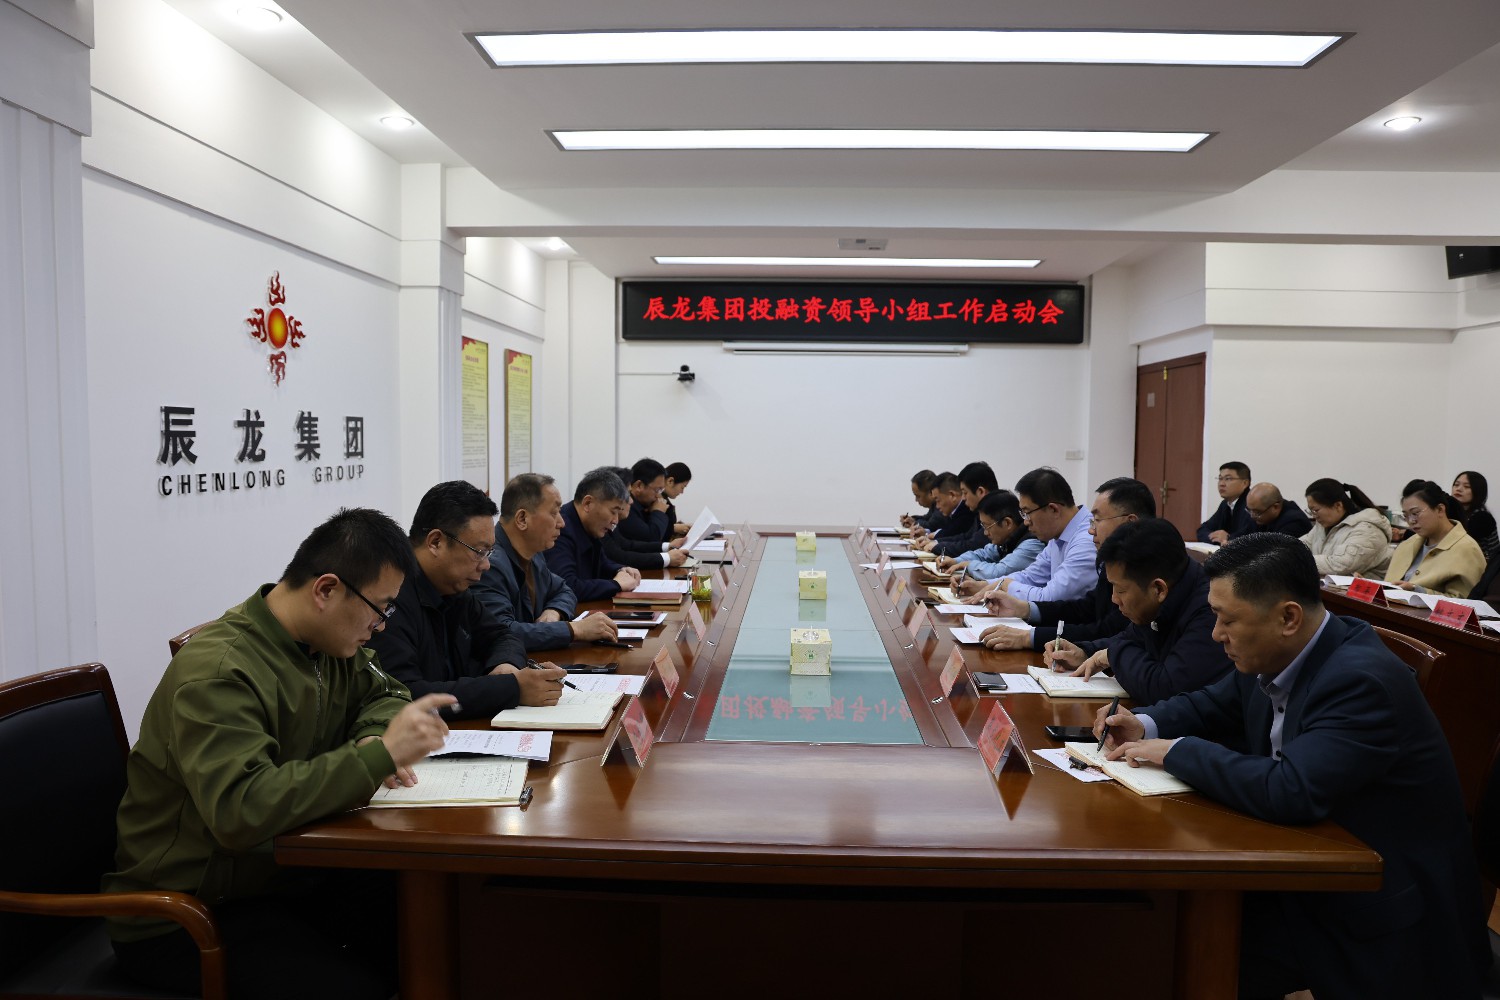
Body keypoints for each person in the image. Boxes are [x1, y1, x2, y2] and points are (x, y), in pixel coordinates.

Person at [1098, 533, 1489, 1000]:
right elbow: (1213, 703)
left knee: (1179, 946)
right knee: (1163, 927)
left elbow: (1291, 789)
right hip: (1310, 860)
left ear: (1288, 617)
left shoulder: (1359, 680)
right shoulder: (1281, 651)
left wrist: (1175, 750)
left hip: (1377, 910)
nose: (1216, 634)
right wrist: (1143, 722)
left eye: (1227, 619)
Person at [105, 508, 456, 1000]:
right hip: (187, 913)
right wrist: (377, 758)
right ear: (326, 590)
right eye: (379, 609)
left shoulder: (324, 644)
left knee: (440, 926)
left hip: (277, 876)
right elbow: (241, 809)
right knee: (364, 982)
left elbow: (388, 693)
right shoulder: (220, 671)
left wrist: (371, 738)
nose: (381, 627)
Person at [367, 480, 565, 721]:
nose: (486, 564)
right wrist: (509, 688)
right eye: (479, 551)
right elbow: (404, 694)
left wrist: (506, 666)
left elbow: (502, 635)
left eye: (489, 552)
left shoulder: (454, 588)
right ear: (436, 542)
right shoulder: (389, 597)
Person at [1039, 518, 1231, 703]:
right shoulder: (1168, 592)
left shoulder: (1211, 610)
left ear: (1158, 589)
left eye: (1121, 590)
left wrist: (1113, 655)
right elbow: (1131, 638)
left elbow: (1167, 688)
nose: (1114, 599)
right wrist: (1085, 652)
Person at [982, 477, 1155, 651]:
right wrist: (1024, 609)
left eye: (1097, 520)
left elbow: (1108, 631)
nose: (1091, 530)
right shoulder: (1114, 560)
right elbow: (1086, 608)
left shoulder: (1148, 570)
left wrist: (1029, 637)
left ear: (1130, 522)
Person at [471, 472, 618, 651]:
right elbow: (502, 633)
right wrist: (574, 630)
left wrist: (554, 611)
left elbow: (564, 589)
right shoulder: (489, 564)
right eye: (554, 513)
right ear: (522, 519)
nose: (561, 523)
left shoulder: (534, 554)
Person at [982, 468, 1094, 603]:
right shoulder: (1058, 534)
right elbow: (1031, 577)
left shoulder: (1087, 540)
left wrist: (1006, 585)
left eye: (1027, 513)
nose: (1026, 522)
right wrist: (984, 585)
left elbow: (1050, 598)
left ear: (1053, 509)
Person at [544, 466, 642, 601]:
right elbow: (567, 586)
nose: (615, 520)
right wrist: (616, 585)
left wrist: (620, 570)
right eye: (613, 512)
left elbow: (601, 563)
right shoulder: (561, 530)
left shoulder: (589, 525)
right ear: (588, 503)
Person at [1384, 479, 1487, 597]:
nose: (1411, 521)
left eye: (1415, 513)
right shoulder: (1408, 544)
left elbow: (1464, 602)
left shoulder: (1467, 549)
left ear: (1440, 509)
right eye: (1406, 515)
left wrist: (1416, 591)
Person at [937, 490, 1041, 590]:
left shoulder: (1032, 544)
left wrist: (968, 565)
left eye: (987, 526)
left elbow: (999, 572)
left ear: (1007, 523)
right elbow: (984, 553)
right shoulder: (1007, 539)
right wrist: (956, 561)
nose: (985, 533)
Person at [1300, 479, 1392, 577]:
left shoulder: (1368, 530)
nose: (1314, 516)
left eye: (1316, 510)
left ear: (1338, 505)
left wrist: (1298, 560)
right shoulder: (1323, 525)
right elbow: (1300, 546)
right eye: (1311, 511)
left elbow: (1339, 566)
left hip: (1367, 586)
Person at [603, 464, 689, 569]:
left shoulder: (642, 506)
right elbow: (621, 556)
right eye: (657, 490)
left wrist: (667, 546)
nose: (630, 500)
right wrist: (666, 558)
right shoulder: (626, 512)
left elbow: (626, 544)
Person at [917, 461, 994, 557]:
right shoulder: (981, 512)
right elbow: (967, 537)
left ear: (981, 492)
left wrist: (938, 546)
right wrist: (937, 542)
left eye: (965, 493)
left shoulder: (995, 512)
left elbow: (973, 545)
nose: (963, 498)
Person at [1196, 460, 1254, 544]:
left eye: (1228, 479)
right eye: (1220, 478)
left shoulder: (1252, 504)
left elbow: (1250, 536)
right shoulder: (1225, 504)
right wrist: (1215, 538)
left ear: (1245, 483)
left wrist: (1228, 538)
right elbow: (1202, 530)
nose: (1221, 484)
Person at [911, 472, 971, 550]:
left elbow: (965, 540)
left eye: (938, 500)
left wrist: (935, 542)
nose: (937, 506)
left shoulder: (967, 511)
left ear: (952, 495)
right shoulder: (954, 510)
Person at [1453, 470, 1499, 560]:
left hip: (1484, 566)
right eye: (1456, 485)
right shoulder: (1456, 513)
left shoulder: (1482, 517)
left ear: (1478, 491)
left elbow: (1459, 543)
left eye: (1466, 486)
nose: (1459, 489)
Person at [1244, 482, 1311, 538]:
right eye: (1249, 510)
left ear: (1275, 507)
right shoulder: (1260, 515)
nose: (1252, 516)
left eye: (1257, 512)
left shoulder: (1294, 522)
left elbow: (1271, 548)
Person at [664, 461, 692, 537]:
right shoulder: (655, 500)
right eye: (682, 487)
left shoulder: (664, 500)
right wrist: (674, 528)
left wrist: (677, 527)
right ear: (670, 481)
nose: (682, 492)